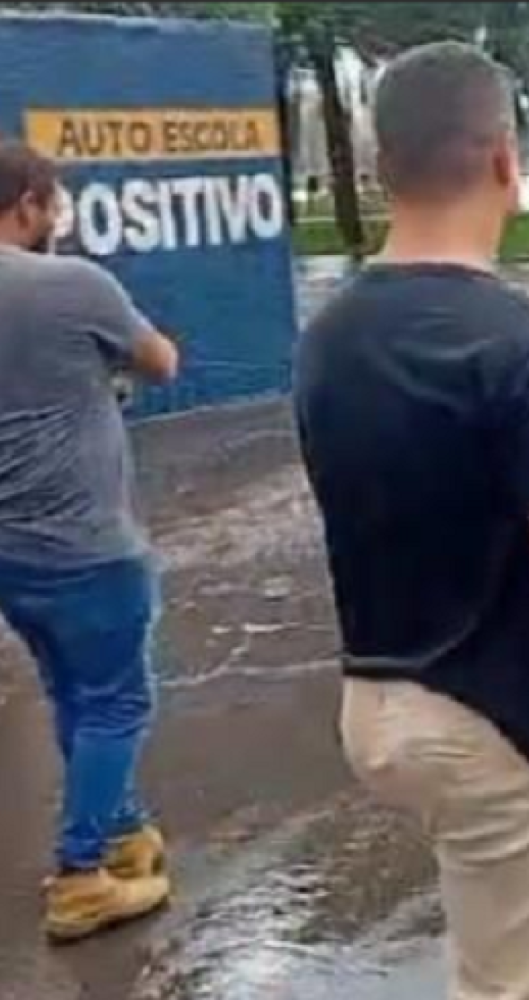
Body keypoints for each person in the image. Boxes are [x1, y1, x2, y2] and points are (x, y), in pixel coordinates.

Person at [295, 43, 529, 1000]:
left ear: (384, 170)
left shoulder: (329, 335)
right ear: (507, 162)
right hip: (496, 725)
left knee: (501, 967)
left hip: (378, 707)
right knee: (522, 987)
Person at [0, 143, 179, 942]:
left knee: (75, 693)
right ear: (30, 204)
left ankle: (122, 830)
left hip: (9, 553)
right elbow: (161, 362)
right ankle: (80, 878)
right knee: (117, 700)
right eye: (55, 204)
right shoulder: (72, 284)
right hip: (87, 544)